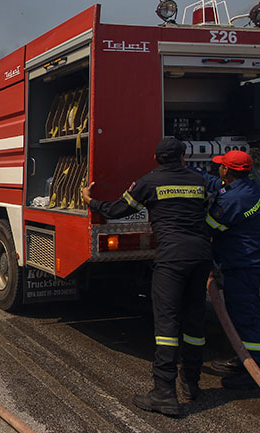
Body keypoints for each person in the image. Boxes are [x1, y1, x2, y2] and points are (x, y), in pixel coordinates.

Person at [82, 137, 211, 416]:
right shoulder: (198, 181)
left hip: (172, 259)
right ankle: (192, 383)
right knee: (194, 319)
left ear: (156, 159)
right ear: (183, 157)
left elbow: (117, 210)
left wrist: (90, 201)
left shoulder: (148, 182)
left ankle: (164, 393)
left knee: (167, 323)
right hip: (201, 256)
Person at [198, 150, 260, 390]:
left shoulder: (231, 200)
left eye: (221, 166)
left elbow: (208, 228)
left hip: (242, 265)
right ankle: (244, 357)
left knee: (245, 317)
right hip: (251, 260)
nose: (218, 169)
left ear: (226, 170)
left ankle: (251, 370)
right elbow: (218, 185)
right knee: (251, 312)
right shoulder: (250, 188)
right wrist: (192, 172)